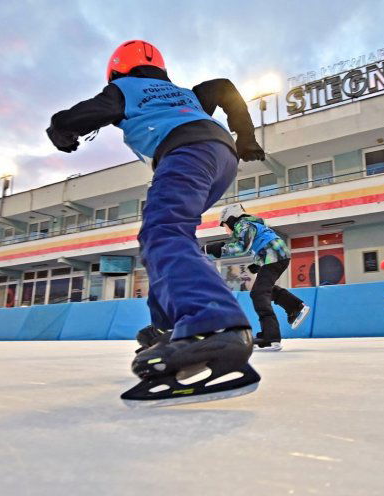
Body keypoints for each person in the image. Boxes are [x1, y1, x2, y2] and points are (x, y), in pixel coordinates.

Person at [47, 40, 266, 407]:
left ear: (116, 70)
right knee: (161, 233)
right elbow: (224, 87)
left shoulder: (123, 89)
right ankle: (168, 329)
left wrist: (61, 129)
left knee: (164, 231)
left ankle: (214, 325)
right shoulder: (187, 95)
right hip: (220, 156)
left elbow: (87, 113)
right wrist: (246, 137)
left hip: (185, 152)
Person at [204, 204, 311, 351]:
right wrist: (258, 264)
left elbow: (241, 247)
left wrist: (213, 249)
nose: (226, 231)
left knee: (259, 294)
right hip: (276, 256)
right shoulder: (251, 224)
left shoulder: (244, 224)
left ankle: (270, 338)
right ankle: (295, 307)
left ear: (231, 219)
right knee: (263, 290)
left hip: (275, 257)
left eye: (225, 225)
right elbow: (264, 243)